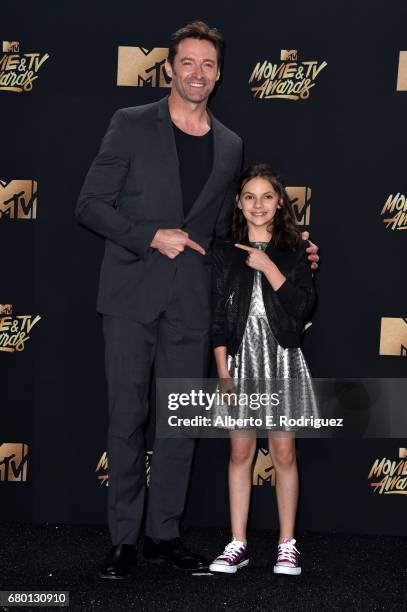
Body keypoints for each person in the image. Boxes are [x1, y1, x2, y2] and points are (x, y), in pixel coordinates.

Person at [75, 20, 319, 580]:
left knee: (178, 424)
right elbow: (89, 204)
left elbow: (227, 233)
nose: (198, 73)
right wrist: (147, 235)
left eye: (208, 65)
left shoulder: (230, 144)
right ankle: (124, 540)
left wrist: (294, 250)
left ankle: (164, 534)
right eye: (187, 62)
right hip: (131, 294)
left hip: (192, 303)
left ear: (219, 74)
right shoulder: (131, 124)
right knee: (126, 420)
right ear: (169, 69)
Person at [209, 164, 317, 576]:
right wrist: (223, 372)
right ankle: (238, 542)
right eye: (250, 197)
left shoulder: (297, 251)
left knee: (284, 451)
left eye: (267, 197)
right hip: (239, 360)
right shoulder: (223, 252)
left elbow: (303, 308)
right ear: (239, 203)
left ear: (279, 203)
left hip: (282, 359)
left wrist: (269, 267)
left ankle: (287, 544)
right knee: (240, 451)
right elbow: (217, 318)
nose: (258, 204)